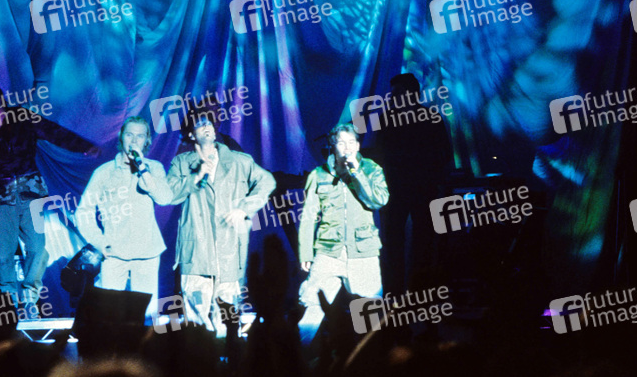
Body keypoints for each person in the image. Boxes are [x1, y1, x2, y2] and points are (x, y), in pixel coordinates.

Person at [0, 81, 98, 313]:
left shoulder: (21, 116)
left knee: (37, 247)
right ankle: (7, 302)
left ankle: (30, 298)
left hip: (31, 192)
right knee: (3, 253)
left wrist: (83, 146)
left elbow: (53, 131)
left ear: (2, 97)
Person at [167, 111, 275, 333]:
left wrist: (244, 208)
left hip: (229, 254)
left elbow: (267, 181)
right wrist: (196, 177)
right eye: (200, 124)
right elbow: (169, 195)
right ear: (190, 134)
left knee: (226, 323)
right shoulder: (181, 163)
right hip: (195, 254)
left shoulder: (240, 161)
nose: (207, 126)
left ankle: (227, 350)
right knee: (195, 324)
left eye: (209, 122)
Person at [297, 123, 389, 342]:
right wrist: (305, 252)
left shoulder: (372, 169)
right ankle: (298, 356)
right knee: (313, 304)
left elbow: (379, 201)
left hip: (363, 250)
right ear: (333, 146)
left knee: (370, 309)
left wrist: (357, 173)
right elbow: (308, 216)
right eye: (341, 143)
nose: (347, 148)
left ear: (358, 146)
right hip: (329, 250)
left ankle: (371, 355)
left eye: (351, 142)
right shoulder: (318, 175)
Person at [74, 117, 173, 320]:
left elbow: (164, 199)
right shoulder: (103, 173)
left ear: (147, 140)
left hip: (147, 253)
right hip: (114, 253)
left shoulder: (154, 168)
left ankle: (142, 341)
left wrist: (143, 169)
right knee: (110, 315)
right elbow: (83, 212)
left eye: (140, 136)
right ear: (121, 137)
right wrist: (100, 243)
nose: (134, 141)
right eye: (129, 135)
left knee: (146, 316)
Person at [377, 74, 452, 293]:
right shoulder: (427, 117)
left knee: (412, 240)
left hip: (408, 188)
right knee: (412, 240)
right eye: (392, 94)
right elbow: (444, 154)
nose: (392, 97)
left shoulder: (391, 119)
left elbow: (443, 154)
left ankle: (406, 290)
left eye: (397, 93)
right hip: (411, 188)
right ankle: (411, 290)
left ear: (411, 94)